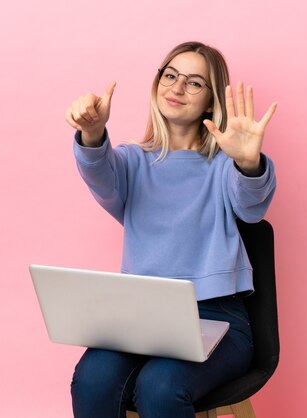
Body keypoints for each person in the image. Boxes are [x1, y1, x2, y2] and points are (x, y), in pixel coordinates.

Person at [64, 41, 277, 418]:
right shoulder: (131, 163)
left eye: (194, 83)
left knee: (160, 387)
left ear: (212, 102)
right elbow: (99, 174)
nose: (177, 88)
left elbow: (252, 205)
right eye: (171, 75)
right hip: (138, 320)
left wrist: (248, 162)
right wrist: (94, 134)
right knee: (92, 378)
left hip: (218, 320)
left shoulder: (224, 167)